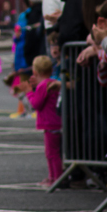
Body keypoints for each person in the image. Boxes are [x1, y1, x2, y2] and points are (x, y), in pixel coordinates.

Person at [25, 54, 62, 186]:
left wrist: (29, 92)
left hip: (49, 122)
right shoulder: (53, 82)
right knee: (52, 152)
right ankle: (52, 177)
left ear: (35, 71)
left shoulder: (42, 86)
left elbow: (36, 104)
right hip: (56, 122)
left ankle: (57, 178)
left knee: (52, 153)